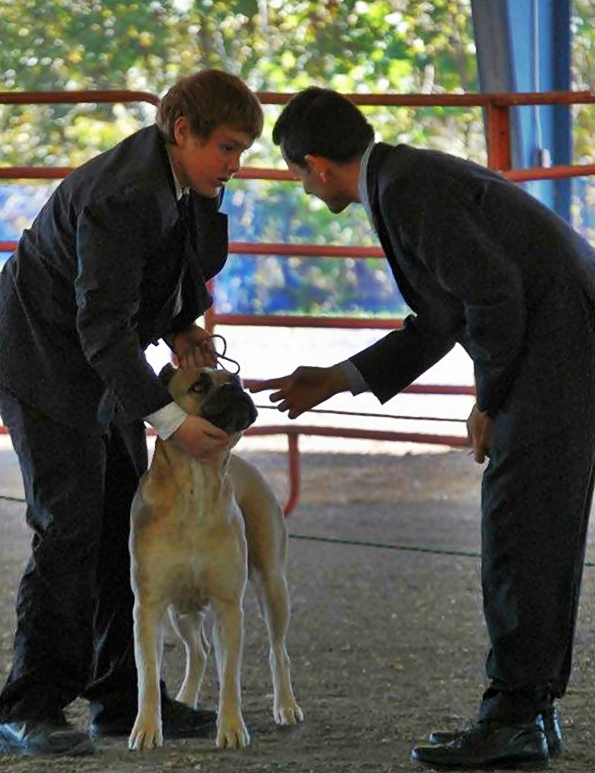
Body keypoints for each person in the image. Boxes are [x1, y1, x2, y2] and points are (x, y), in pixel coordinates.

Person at [250, 87, 595, 769]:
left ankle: (515, 714)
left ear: (315, 164)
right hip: (560, 338)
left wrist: (486, 400)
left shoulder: (407, 189)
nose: (302, 185)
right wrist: (338, 376)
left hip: (556, 347)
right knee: (536, 527)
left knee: (518, 527)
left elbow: (492, 295)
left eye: (295, 173)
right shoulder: (405, 177)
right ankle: (529, 707)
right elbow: (442, 315)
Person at [0, 69, 263, 757]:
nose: (236, 165)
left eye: (241, 151)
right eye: (228, 148)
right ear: (183, 132)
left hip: (101, 357)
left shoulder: (184, 182)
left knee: (125, 511)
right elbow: (100, 327)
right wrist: (169, 418)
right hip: (42, 358)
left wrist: (180, 328)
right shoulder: (124, 195)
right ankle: (30, 701)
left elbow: (170, 275)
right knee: (71, 523)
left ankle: (123, 696)